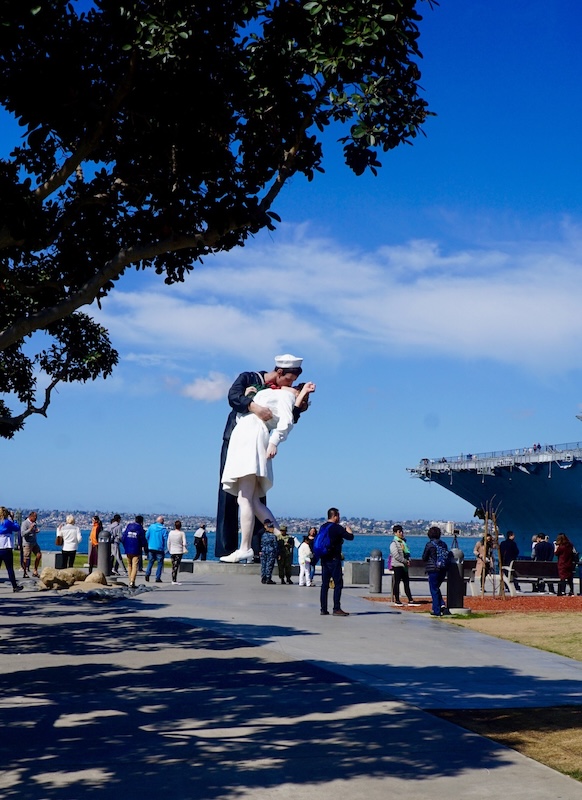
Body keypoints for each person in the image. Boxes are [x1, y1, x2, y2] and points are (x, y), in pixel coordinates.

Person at [215, 354, 305, 557]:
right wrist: (253, 405)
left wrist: (297, 404)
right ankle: (228, 546)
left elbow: (287, 419)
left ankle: (255, 547)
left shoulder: (283, 393)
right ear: (279, 372)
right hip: (236, 438)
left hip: (255, 439)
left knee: (252, 497)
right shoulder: (249, 378)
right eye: (289, 379)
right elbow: (233, 397)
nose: (291, 384)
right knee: (231, 496)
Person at [319, 507, 354, 617]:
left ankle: (323, 609)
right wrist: (349, 530)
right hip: (334, 559)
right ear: (334, 516)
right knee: (338, 584)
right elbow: (350, 537)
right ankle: (336, 608)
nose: (339, 518)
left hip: (324, 558)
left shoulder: (322, 527)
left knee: (325, 584)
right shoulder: (337, 528)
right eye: (338, 516)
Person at [422, 525, 450, 617]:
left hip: (433, 570)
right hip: (443, 569)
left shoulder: (429, 545)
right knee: (436, 588)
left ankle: (436, 610)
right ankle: (442, 605)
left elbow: (424, 557)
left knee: (434, 589)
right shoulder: (444, 544)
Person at [389, 524, 419, 607]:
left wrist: (408, 560)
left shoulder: (404, 542)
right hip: (398, 565)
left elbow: (406, 553)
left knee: (406, 583)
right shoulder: (394, 543)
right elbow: (396, 555)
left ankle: (410, 599)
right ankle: (397, 599)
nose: (401, 533)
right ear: (395, 533)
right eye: (399, 532)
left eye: (402, 531)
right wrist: (405, 561)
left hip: (404, 566)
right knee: (397, 582)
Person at [0, 507, 23, 592]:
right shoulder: (7, 522)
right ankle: (14, 586)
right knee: (9, 568)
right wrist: (13, 519)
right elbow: (17, 528)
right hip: (6, 548)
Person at [122, 515, 147, 589]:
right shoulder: (140, 529)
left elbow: (123, 538)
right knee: (135, 566)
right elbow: (143, 540)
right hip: (136, 549)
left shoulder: (128, 527)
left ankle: (130, 580)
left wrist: (125, 546)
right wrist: (144, 547)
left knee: (129, 565)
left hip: (128, 549)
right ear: (141, 522)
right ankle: (132, 581)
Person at [145, 516, 168, 583]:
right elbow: (166, 538)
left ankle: (147, 573)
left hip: (151, 547)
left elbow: (146, 536)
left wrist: (150, 541)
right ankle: (157, 577)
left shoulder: (151, 527)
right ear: (162, 521)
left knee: (151, 561)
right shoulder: (163, 529)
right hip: (159, 548)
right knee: (160, 563)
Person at [21, 511, 41, 578]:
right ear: (31, 516)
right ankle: (25, 572)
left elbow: (33, 531)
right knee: (26, 558)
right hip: (27, 543)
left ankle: (35, 570)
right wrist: (30, 529)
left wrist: (36, 531)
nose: (36, 519)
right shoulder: (25, 523)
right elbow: (23, 534)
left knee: (39, 555)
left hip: (34, 543)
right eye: (35, 517)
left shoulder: (34, 523)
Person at [167, 520, 187, 585]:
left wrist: (169, 549)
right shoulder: (182, 533)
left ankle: (174, 579)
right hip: (179, 551)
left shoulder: (171, 533)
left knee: (173, 565)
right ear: (180, 526)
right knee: (176, 566)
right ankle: (174, 580)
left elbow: (168, 542)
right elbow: (184, 543)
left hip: (172, 551)